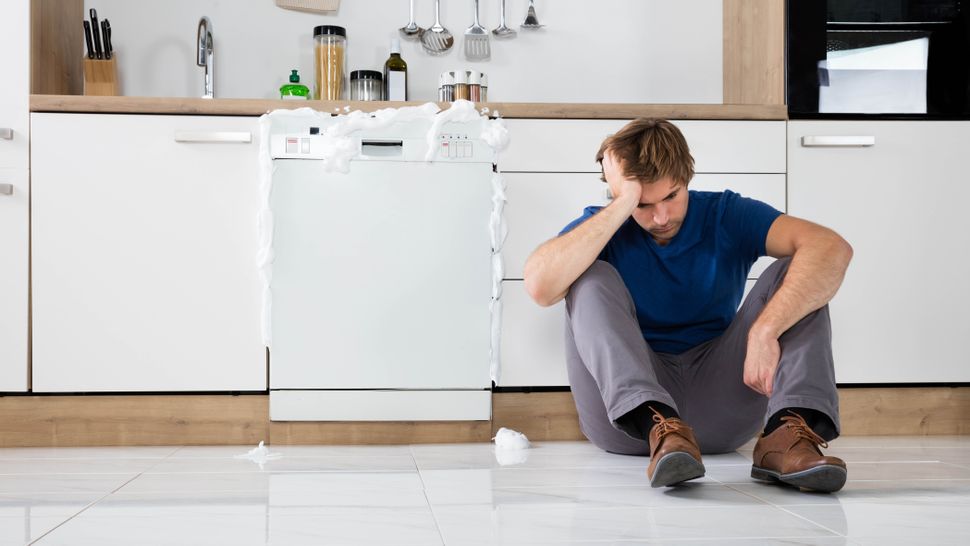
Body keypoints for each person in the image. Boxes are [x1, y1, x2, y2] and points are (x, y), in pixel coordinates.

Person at [523, 118, 853, 493]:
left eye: (671, 196)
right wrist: (622, 204)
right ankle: (660, 427)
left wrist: (766, 329)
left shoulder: (725, 214)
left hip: (721, 402)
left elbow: (832, 248)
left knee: (801, 271)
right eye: (644, 204)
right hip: (629, 424)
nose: (660, 217)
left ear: (688, 177)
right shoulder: (605, 224)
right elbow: (539, 287)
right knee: (588, 274)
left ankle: (788, 436)